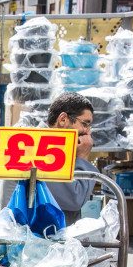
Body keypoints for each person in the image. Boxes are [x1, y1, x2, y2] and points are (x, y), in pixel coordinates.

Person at [43, 92, 99, 223]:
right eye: (85, 124)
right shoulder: (45, 149)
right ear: (63, 119)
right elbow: (75, 199)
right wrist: (82, 157)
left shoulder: (53, 147)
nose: (87, 132)